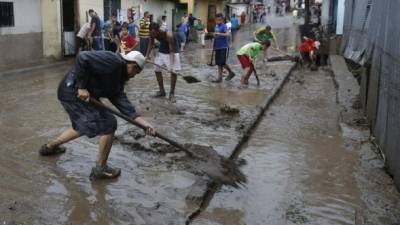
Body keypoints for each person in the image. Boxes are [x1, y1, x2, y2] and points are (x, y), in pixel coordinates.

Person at [38, 50, 156, 180]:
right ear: (133, 65)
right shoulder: (114, 62)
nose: (134, 76)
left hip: (80, 95)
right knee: (108, 123)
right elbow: (83, 57)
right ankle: (100, 168)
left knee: (84, 125)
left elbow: (126, 107)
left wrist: (144, 124)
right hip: (72, 91)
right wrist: (82, 87)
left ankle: (50, 147)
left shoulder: (118, 82)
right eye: (136, 72)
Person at [146, 22, 182, 103]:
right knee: (157, 69)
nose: (153, 35)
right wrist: (146, 56)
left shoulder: (169, 35)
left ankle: (172, 94)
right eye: (152, 34)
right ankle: (162, 91)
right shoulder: (152, 33)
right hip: (162, 47)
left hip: (173, 47)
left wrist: (171, 66)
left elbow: (171, 51)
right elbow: (151, 44)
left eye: (154, 34)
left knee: (174, 71)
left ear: (158, 30)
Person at [212, 13, 236, 83]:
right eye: (216, 20)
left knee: (222, 62)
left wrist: (218, 34)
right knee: (218, 63)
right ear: (215, 20)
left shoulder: (224, 26)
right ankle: (219, 78)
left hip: (223, 47)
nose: (218, 21)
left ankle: (231, 72)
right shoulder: (216, 26)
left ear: (222, 19)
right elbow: (215, 36)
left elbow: (228, 34)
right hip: (217, 47)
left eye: (219, 20)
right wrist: (214, 44)